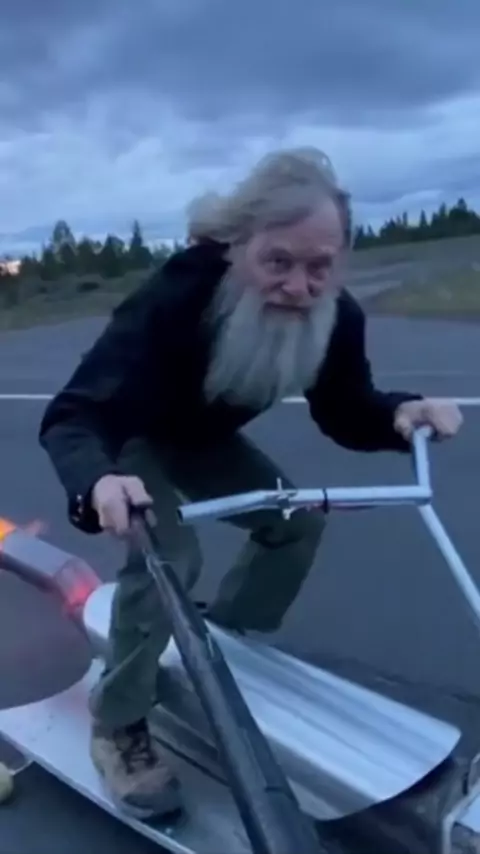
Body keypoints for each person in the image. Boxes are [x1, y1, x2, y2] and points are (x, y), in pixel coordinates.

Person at [39, 146, 462, 820]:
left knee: (296, 523)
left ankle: (220, 643)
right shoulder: (181, 294)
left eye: (320, 266)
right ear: (239, 246)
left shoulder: (336, 316)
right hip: (132, 437)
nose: (299, 286)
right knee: (169, 555)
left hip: (204, 441)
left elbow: (345, 409)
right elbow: (74, 412)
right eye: (278, 262)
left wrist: (399, 414)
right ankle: (117, 722)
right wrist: (99, 481)